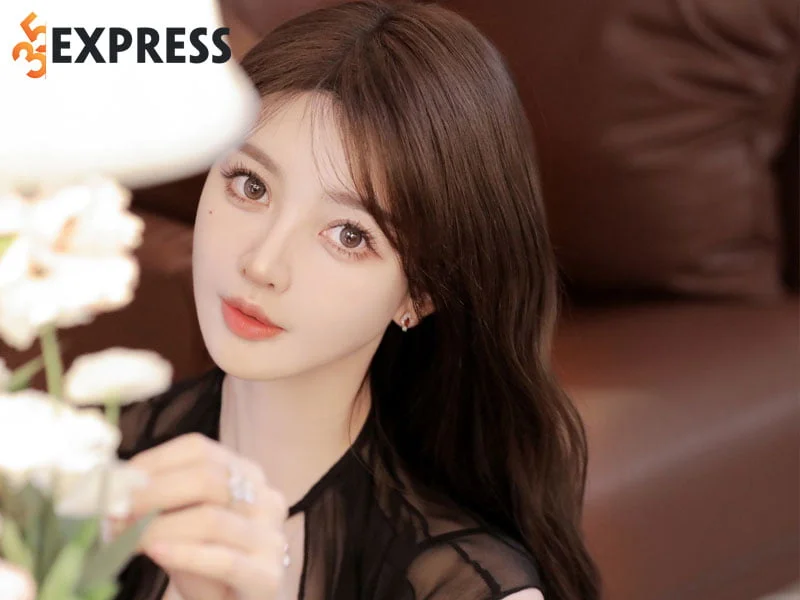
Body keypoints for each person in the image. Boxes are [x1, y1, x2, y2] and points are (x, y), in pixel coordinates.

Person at [113, 1, 601, 599]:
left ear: (421, 293)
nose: (262, 264)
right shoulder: (91, 450)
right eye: (251, 185)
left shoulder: (468, 588)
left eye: (350, 235)